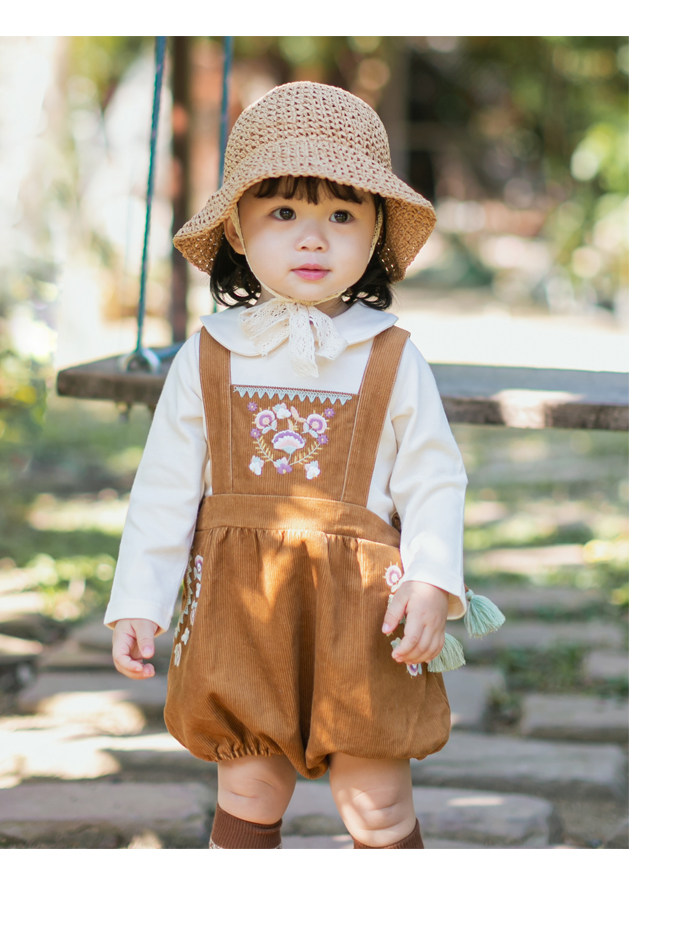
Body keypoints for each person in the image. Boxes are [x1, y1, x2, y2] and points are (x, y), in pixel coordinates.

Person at [107, 81, 500, 850]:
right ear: (238, 228)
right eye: (284, 212)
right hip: (240, 610)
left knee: (374, 798)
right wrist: (139, 601)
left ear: (375, 232)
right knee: (249, 784)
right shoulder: (210, 354)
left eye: (342, 216)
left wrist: (431, 578)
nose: (313, 238)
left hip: (365, 613)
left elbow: (433, 477)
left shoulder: (390, 355)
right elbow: (164, 490)